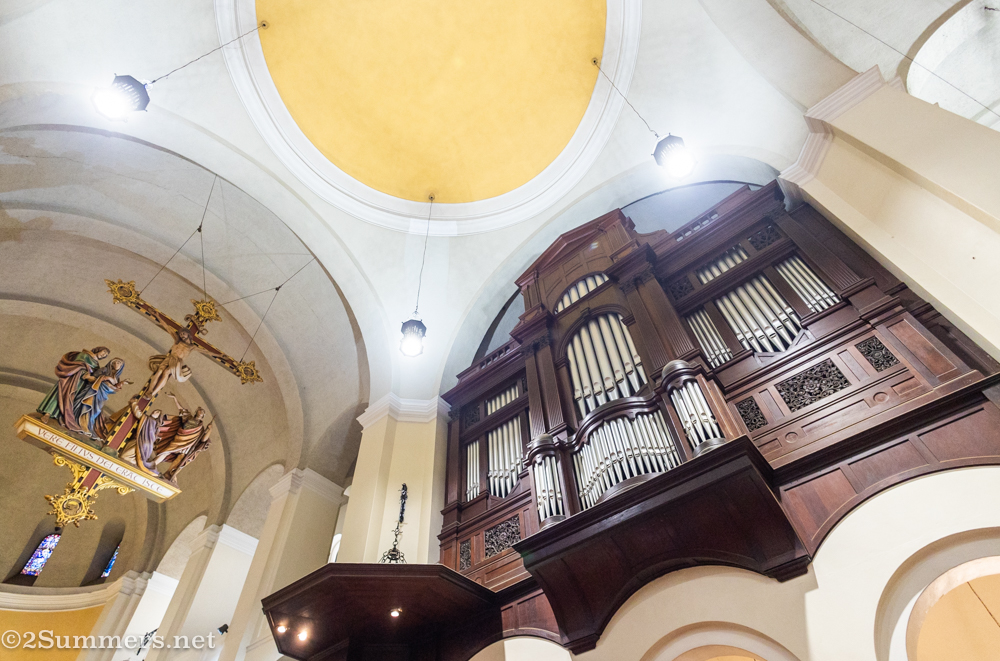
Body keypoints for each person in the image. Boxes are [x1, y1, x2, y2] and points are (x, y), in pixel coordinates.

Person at [37, 347, 110, 432]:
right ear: (98, 350)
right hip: (72, 378)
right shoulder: (85, 355)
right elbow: (77, 364)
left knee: (70, 400)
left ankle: (61, 417)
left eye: (105, 355)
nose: (103, 355)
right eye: (103, 352)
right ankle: (47, 414)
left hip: (81, 383)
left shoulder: (97, 365)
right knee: (61, 393)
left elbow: (93, 376)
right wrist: (87, 368)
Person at [75, 358, 132, 439]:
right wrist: (105, 378)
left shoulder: (116, 377)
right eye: (115, 362)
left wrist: (121, 383)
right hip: (94, 392)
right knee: (89, 407)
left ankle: (87, 426)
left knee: (96, 411)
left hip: (103, 396)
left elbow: (115, 388)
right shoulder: (104, 370)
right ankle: (81, 424)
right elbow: (92, 378)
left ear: (121, 366)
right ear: (111, 363)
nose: (117, 364)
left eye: (119, 363)